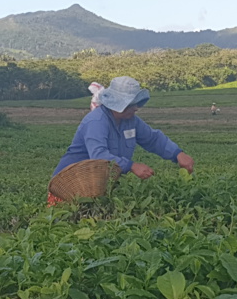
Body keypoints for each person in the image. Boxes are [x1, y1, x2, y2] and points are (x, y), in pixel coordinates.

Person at [49, 77, 194, 204]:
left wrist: (177, 153)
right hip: (71, 183)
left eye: (136, 103)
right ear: (116, 103)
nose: (136, 108)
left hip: (100, 185)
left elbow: (152, 138)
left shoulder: (130, 120)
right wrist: (131, 166)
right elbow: (99, 156)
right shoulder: (96, 121)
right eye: (130, 104)